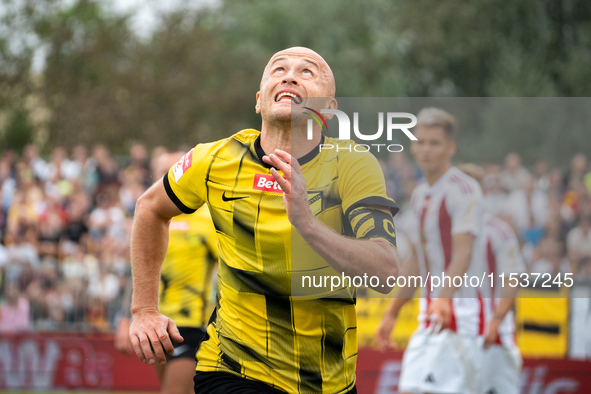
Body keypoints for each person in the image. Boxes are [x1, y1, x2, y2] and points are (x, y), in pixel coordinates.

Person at [129, 47, 399, 394]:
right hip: (231, 370)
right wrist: (143, 309)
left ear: (328, 110)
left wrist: (308, 224)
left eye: (307, 72)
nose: (289, 76)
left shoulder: (353, 165)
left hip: (329, 382)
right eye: (278, 69)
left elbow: (386, 272)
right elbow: (150, 208)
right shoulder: (214, 159)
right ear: (259, 101)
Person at [375, 108, 484, 394]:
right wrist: (393, 311)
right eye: (420, 142)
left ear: (451, 148)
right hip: (429, 315)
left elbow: (463, 253)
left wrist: (445, 299)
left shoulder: (464, 189)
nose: (426, 149)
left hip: (459, 314)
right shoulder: (421, 193)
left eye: (434, 143)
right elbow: (417, 261)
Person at [116, 152, 218, 394]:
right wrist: (123, 321)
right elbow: (137, 272)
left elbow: (230, 267)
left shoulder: (207, 218)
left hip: (194, 323)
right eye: (161, 171)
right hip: (155, 323)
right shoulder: (148, 218)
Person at [457, 163, 524, 394]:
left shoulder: (497, 230)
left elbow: (512, 281)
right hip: (458, 333)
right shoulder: (445, 233)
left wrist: (495, 322)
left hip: (492, 336)